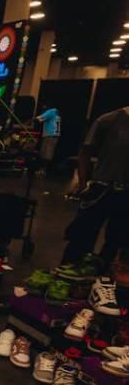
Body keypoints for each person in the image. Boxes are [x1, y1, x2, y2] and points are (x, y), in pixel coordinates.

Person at [61, 105, 129, 265]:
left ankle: (103, 277)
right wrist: (83, 183)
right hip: (101, 189)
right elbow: (85, 153)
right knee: (81, 238)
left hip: (126, 195)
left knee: (118, 242)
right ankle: (67, 274)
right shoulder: (108, 121)